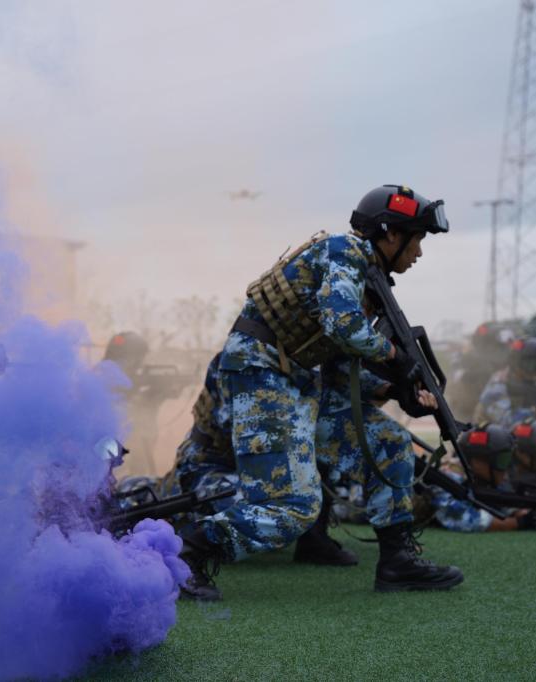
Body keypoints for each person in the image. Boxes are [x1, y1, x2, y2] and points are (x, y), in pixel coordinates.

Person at [167, 184, 463, 599]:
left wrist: (397, 390)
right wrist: (395, 355)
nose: (418, 253)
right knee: (292, 505)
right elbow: (343, 327)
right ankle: (185, 555)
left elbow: (340, 367)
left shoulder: (368, 276)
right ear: (391, 234)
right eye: (416, 240)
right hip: (263, 373)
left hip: (298, 381)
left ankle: (397, 562)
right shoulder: (345, 251)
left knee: (390, 443)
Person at [415, 423, 536, 533]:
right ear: (477, 462)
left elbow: (501, 502)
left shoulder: (481, 479)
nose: (505, 467)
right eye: (502, 460)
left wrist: (523, 512)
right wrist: (521, 523)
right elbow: (467, 520)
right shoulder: (447, 479)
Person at [103, 331, 192, 476]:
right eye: (139, 357)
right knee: (124, 474)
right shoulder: (111, 374)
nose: (141, 362)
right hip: (110, 444)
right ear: (131, 356)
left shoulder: (107, 371)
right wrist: (141, 396)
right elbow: (121, 409)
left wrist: (156, 395)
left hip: (114, 443)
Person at [474, 337, 536, 427]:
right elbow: (508, 422)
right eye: (530, 363)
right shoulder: (499, 384)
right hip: (494, 437)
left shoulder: (532, 383)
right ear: (517, 361)